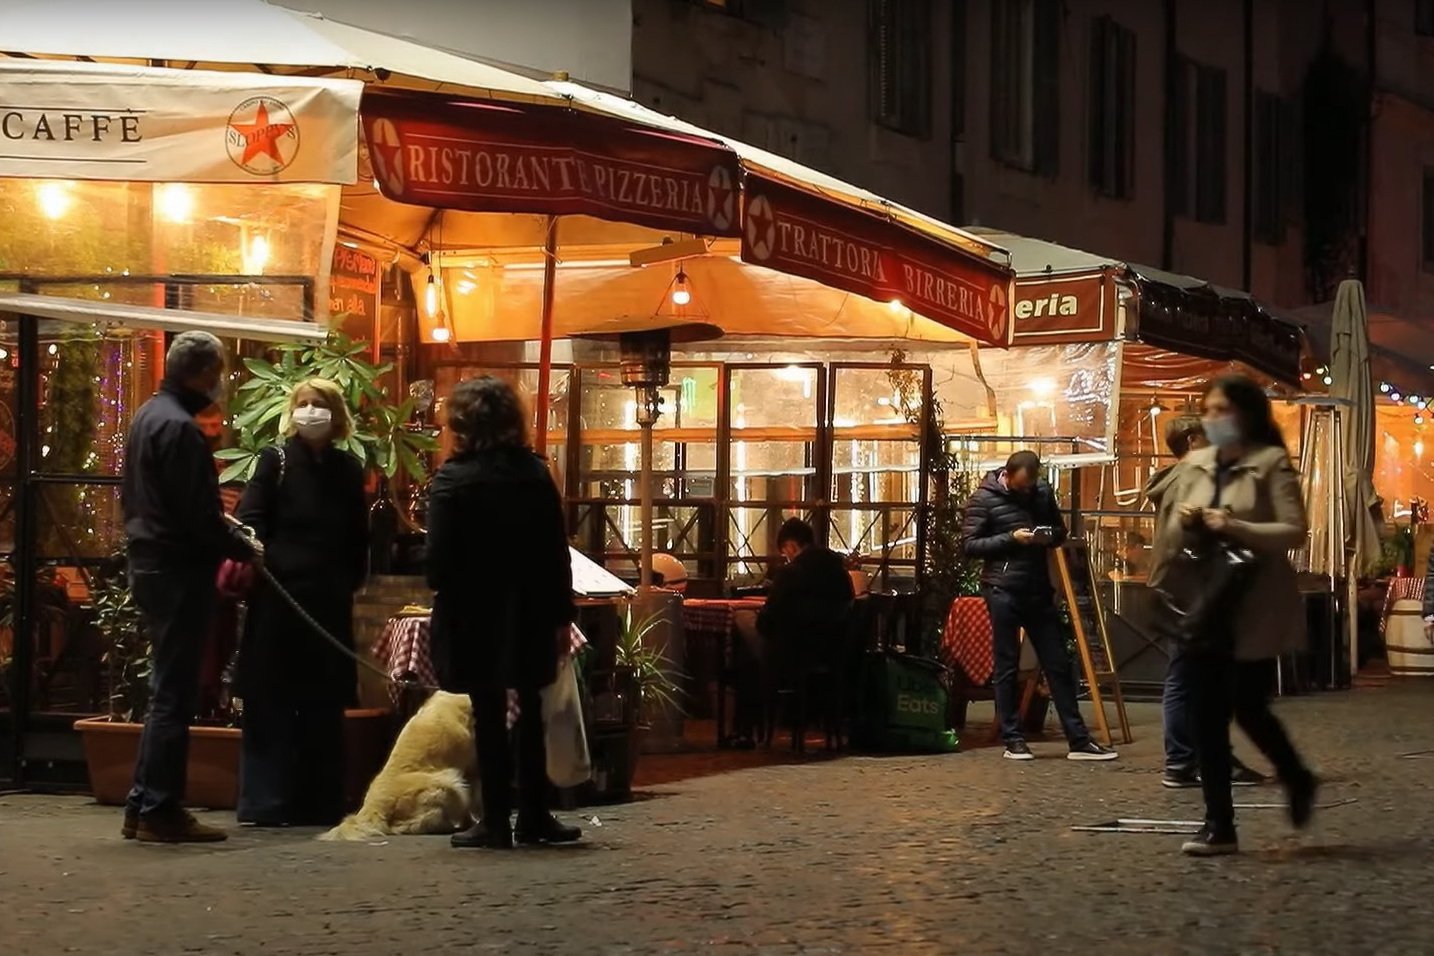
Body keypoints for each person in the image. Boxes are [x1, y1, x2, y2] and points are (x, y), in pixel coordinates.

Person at [1150, 375, 1317, 856]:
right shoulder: (1196, 463)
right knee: (1205, 714)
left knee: (1248, 706)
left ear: (1245, 414)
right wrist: (1184, 528)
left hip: (1254, 603)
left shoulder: (1271, 463)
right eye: (1209, 410)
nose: (1213, 419)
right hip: (1205, 602)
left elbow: (1294, 532)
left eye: (1222, 410)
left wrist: (1235, 525)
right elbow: (1172, 527)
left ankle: (1296, 774)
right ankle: (1218, 825)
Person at [426, 376, 580, 849]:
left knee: (487, 710)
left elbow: (438, 564)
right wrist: (561, 614)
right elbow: (557, 552)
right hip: (529, 606)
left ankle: (494, 819)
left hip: (472, 610)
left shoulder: (451, 481)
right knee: (530, 708)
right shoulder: (534, 475)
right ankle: (534, 813)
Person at [120, 331, 260, 843]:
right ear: (203, 373)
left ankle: (142, 802)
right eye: (217, 372)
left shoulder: (148, 415)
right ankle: (160, 808)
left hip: (152, 562)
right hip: (178, 568)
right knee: (174, 692)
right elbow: (196, 512)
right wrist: (238, 544)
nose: (220, 383)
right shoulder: (179, 428)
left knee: (166, 687)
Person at [234, 379, 369, 828]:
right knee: (270, 697)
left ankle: (320, 799)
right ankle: (266, 800)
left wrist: (350, 580)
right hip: (279, 597)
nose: (310, 412)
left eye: (319, 404)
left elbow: (357, 536)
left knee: (323, 702)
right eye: (303, 404)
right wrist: (268, 564)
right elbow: (252, 520)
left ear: (335, 415)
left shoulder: (348, 469)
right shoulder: (276, 461)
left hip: (327, 602)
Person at [961, 450, 1117, 761]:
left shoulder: (1041, 493)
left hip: (1037, 589)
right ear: (1007, 476)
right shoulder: (984, 498)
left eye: (1030, 487)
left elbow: (1060, 531)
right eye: (1020, 487)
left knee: (1057, 663)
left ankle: (1079, 740)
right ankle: (1013, 740)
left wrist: (1050, 536)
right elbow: (969, 545)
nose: (1025, 492)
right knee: (1006, 665)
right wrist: (1010, 538)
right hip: (1002, 589)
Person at [1149, 415, 1268, 790]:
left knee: (1188, 676)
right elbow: (1190, 531)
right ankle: (1192, 760)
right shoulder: (1193, 476)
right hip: (1194, 587)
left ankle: (1189, 759)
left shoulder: (1177, 477)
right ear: (1193, 438)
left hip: (1183, 585)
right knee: (1195, 677)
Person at [756, 518, 856, 747]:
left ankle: (755, 726)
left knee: (749, 647)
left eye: (785, 553)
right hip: (833, 654)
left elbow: (768, 619)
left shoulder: (790, 573)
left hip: (793, 654)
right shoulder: (839, 571)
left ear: (791, 546)